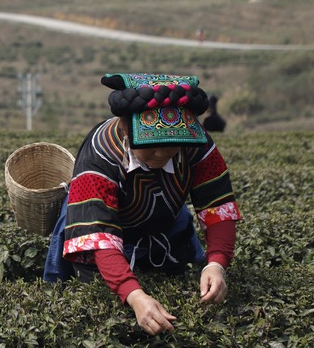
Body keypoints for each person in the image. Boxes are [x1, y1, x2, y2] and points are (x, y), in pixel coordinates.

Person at [43, 73, 241, 336]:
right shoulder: (99, 155)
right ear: (125, 130)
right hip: (103, 228)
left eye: (170, 148)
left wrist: (217, 263)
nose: (161, 155)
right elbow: (101, 236)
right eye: (151, 148)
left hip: (166, 221)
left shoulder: (196, 143)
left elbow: (218, 207)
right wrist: (133, 295)